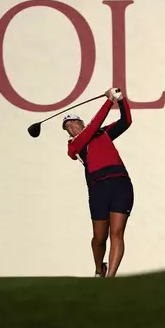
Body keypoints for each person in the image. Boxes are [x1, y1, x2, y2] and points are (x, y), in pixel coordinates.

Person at [62, 87, 134, 278]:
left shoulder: (102, 133)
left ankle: (110, 278)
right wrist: (108, 101)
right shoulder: (74, 146)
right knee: (99, 238)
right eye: (67, 127)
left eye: (74, 123)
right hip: (98, 189)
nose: (71, 128)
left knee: (116, 233)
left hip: (120, 183)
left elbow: (126, 121)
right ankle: (98, 268)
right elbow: (91, 129)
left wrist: (120, 99)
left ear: (81, 123)